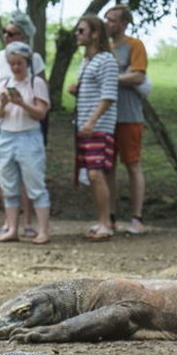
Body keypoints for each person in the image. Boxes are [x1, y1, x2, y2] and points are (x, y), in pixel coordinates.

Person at [0, 11, 47, 240]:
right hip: (6, 132)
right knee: (9, 180)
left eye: (13, 32)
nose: (7, 35)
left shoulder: (35, 72)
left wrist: (23, 103)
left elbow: (41, 102)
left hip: (29, 131)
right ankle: (10, 225)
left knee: (32, 179)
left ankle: (33, 224)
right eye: (5, 32)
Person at [68, 14, 119, 241]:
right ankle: (101, 220)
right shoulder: (87, 61)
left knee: (96, 173)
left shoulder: (107, 59)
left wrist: (91, 121)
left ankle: (105, 223)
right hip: (84, 126)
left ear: (95, 33)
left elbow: (108, 95)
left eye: (81, 30)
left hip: (98, 126)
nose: (77, 35)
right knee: (91, 173)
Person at [104, 4, 149, 236]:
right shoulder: (103, 48)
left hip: (129, 114)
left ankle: (137, 217)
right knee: (107, 167)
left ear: (123, 24)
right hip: (106, 116)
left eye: (112, 20)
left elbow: (138, 76)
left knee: (132, 164)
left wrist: (112, 78)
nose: (107, 24)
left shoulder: (135, 46)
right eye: (106, 19)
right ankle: (109, 217)